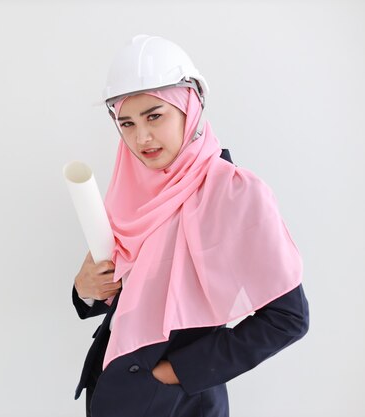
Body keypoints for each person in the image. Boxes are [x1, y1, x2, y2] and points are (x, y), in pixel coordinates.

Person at [71, 35, 310, 417]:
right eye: (127, 123)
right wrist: (86, 290)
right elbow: (130, 298)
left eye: (155, 116)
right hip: (114, 391)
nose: (140, 138)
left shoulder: (233, 193)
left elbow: (288, 319)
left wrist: (175, 372)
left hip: (180, 404)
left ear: (190, 108)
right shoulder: (132, 190)